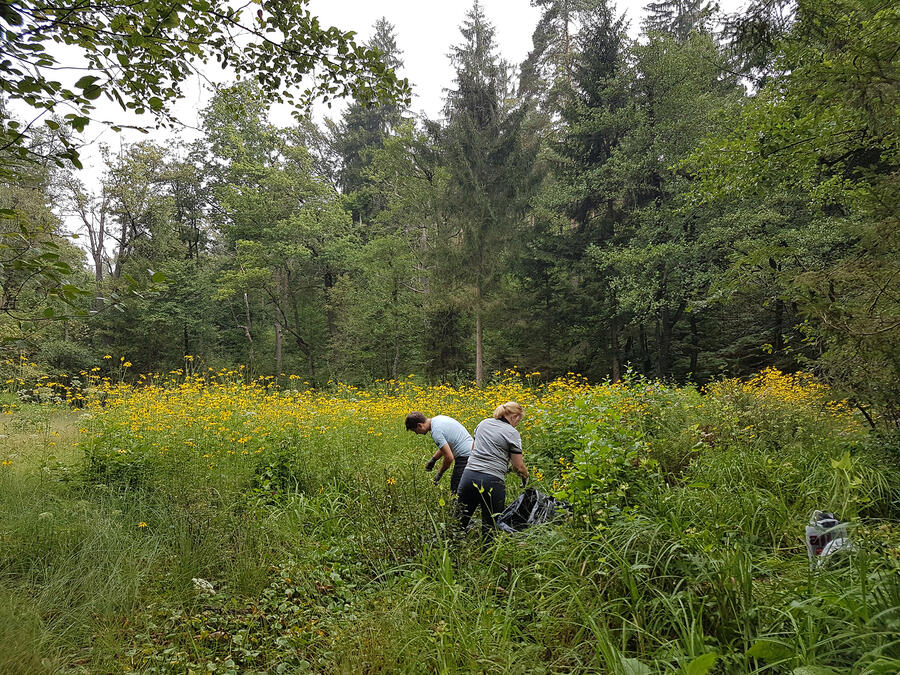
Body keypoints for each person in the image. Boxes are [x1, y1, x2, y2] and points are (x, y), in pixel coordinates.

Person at [456, 401, 529, 538]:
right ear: (514, 417)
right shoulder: (512, 432)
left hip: (468, 476)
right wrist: (526, 478)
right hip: (492, 481)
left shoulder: (483, 423)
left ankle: (449, 554)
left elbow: (474, 449)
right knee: (490, 527)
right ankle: (486, 558)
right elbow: (518, 466)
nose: (517, 424)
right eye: (519, 420)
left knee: (459, 522)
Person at [405, 412, 473, 493]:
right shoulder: (438, 419)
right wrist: (433, 459)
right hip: (473, 451)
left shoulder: (436, 432)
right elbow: (446, 445)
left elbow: (449, 458)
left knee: (456, 490)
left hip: (465, 457)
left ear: (420, 425)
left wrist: (439, 474)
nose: (416, 433)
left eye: (415, 430)